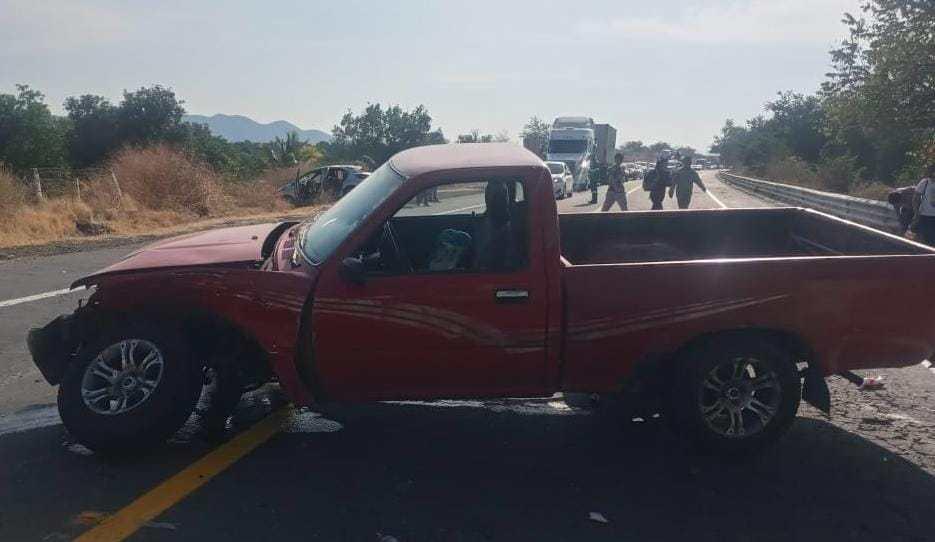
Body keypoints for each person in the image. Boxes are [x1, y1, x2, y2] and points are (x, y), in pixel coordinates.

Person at [910, 164, 935, 245]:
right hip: (925, 216)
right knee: (925, 240)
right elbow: (915, 198)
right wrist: (916, 213)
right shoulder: (925, 182)